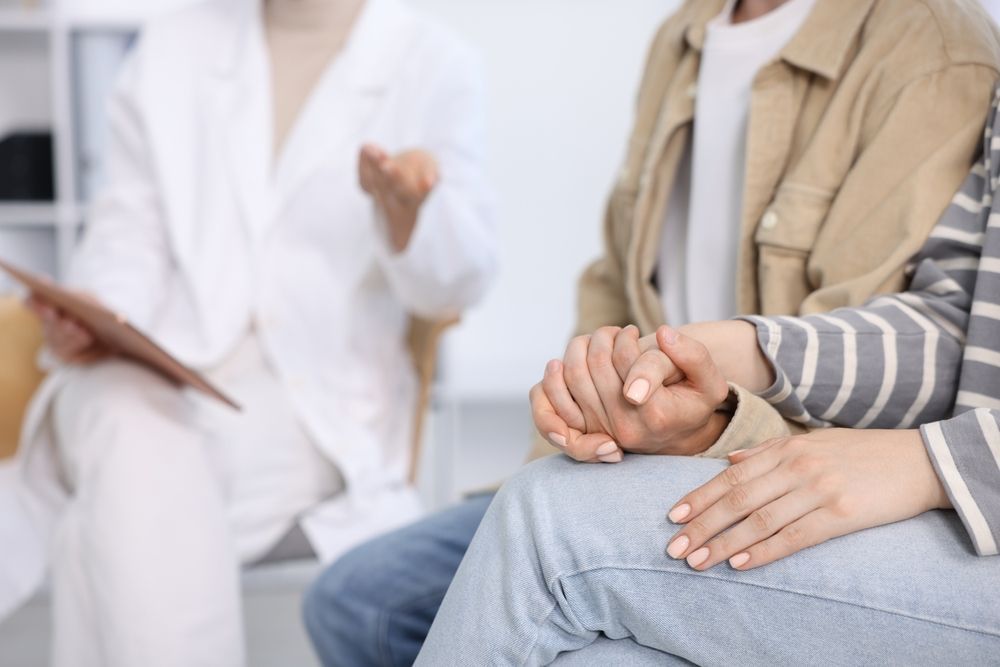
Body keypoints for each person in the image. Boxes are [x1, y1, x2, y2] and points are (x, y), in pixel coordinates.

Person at [303, 0, 1000, 663]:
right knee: (361, 601)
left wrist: (928, 461)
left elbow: (908, 396)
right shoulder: (684, 35)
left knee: (550, 530)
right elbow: (950, 325)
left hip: (770, 460)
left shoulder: (936, 52)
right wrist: (616, 394)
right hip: (658, 448)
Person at [0, 0, 496, 665]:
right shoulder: (171, 48)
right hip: (152, 371)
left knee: (111, 499)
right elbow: (126, 234)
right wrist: (95, 318)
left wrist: (411, 218)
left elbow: (461, 281)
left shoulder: (435, 63)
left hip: (306, 405)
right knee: (120, 411)